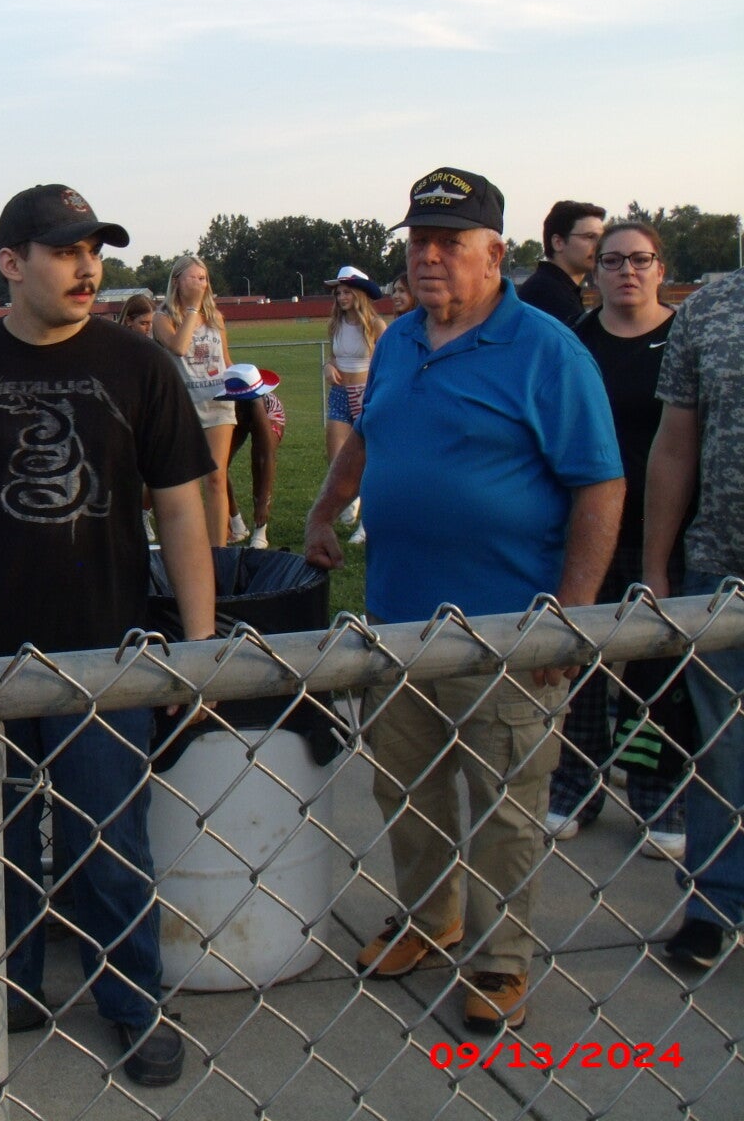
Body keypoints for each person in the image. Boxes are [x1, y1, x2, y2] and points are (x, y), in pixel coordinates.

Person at [0, 184, 217, 1089]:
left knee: (108, 844)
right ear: (10, 263)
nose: (87, 268)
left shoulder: (138, 363)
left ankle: (134, 1002)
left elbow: (180, 506)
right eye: (66, 251)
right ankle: (8, 992)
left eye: (94, 251)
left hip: (103, 656)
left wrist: (199, 642)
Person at [306, 167, 621, 1036]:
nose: (429, 256)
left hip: (508, 631)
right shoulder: (401, 338)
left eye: (450, 242)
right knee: (406, 792)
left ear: (495, 253)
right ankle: (429, 917)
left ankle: (498, 959)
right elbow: (369, 436)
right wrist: (325, 509)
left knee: (506, 805)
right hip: (399, 622)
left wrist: (569, 617)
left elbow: (600, 484)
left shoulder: (548, 351)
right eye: (419, 241)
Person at [547, 222, 687, 860]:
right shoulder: (574, 343)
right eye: (612, 260)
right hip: (589, 529)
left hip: (665, 529)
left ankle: (658, 793)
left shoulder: (684, 338)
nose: (627, 271)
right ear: (594, 272)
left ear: (661, 269)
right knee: (581, 661)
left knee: (659, 668)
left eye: (640, 259)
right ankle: (575, 785)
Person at [644, 265, 744, 971]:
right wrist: (656, 564)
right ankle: (716, 903)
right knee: (724, 747)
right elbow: (675, 444)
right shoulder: (709, 310)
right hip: (721, 568)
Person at [153, 254, 236, 551]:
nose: (201, 283)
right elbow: (178, 346)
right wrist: (191, 310)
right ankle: (189, 547)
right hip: (183, 408)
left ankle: (218, 551)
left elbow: (226, 361)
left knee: (216, 478)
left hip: (219, 405)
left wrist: (244, 382)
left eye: (204, 278)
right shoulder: (163, 318)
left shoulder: (216, 318)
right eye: (194, 278)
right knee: (184, 481)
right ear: (177, 281)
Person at [321, 266, 385, 545]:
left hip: (365, 395)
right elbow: (333, 357)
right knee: (336, 459)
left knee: (369, 461)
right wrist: (328, 366)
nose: (341, 297)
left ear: (359, 294)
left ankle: (365, 524)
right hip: (339, 393)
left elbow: (387, 363)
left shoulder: (376, 325)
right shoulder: (335, 324)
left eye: (347, 292)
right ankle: (350, 498)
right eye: (338, 293)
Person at [219, 364, 284, 551]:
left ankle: (260, 529)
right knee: (218, 464)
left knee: (258, 461)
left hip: (267, 414)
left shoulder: (257, 404)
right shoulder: (231, 402)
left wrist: (262, 504)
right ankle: (237, 523)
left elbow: (266, 456)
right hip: (236, 413)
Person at [516, 200, 606, 325]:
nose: (600, 245)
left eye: (602, 238)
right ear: (558, 243)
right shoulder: (547, 295)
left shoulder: (556, 288)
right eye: (590, 237)